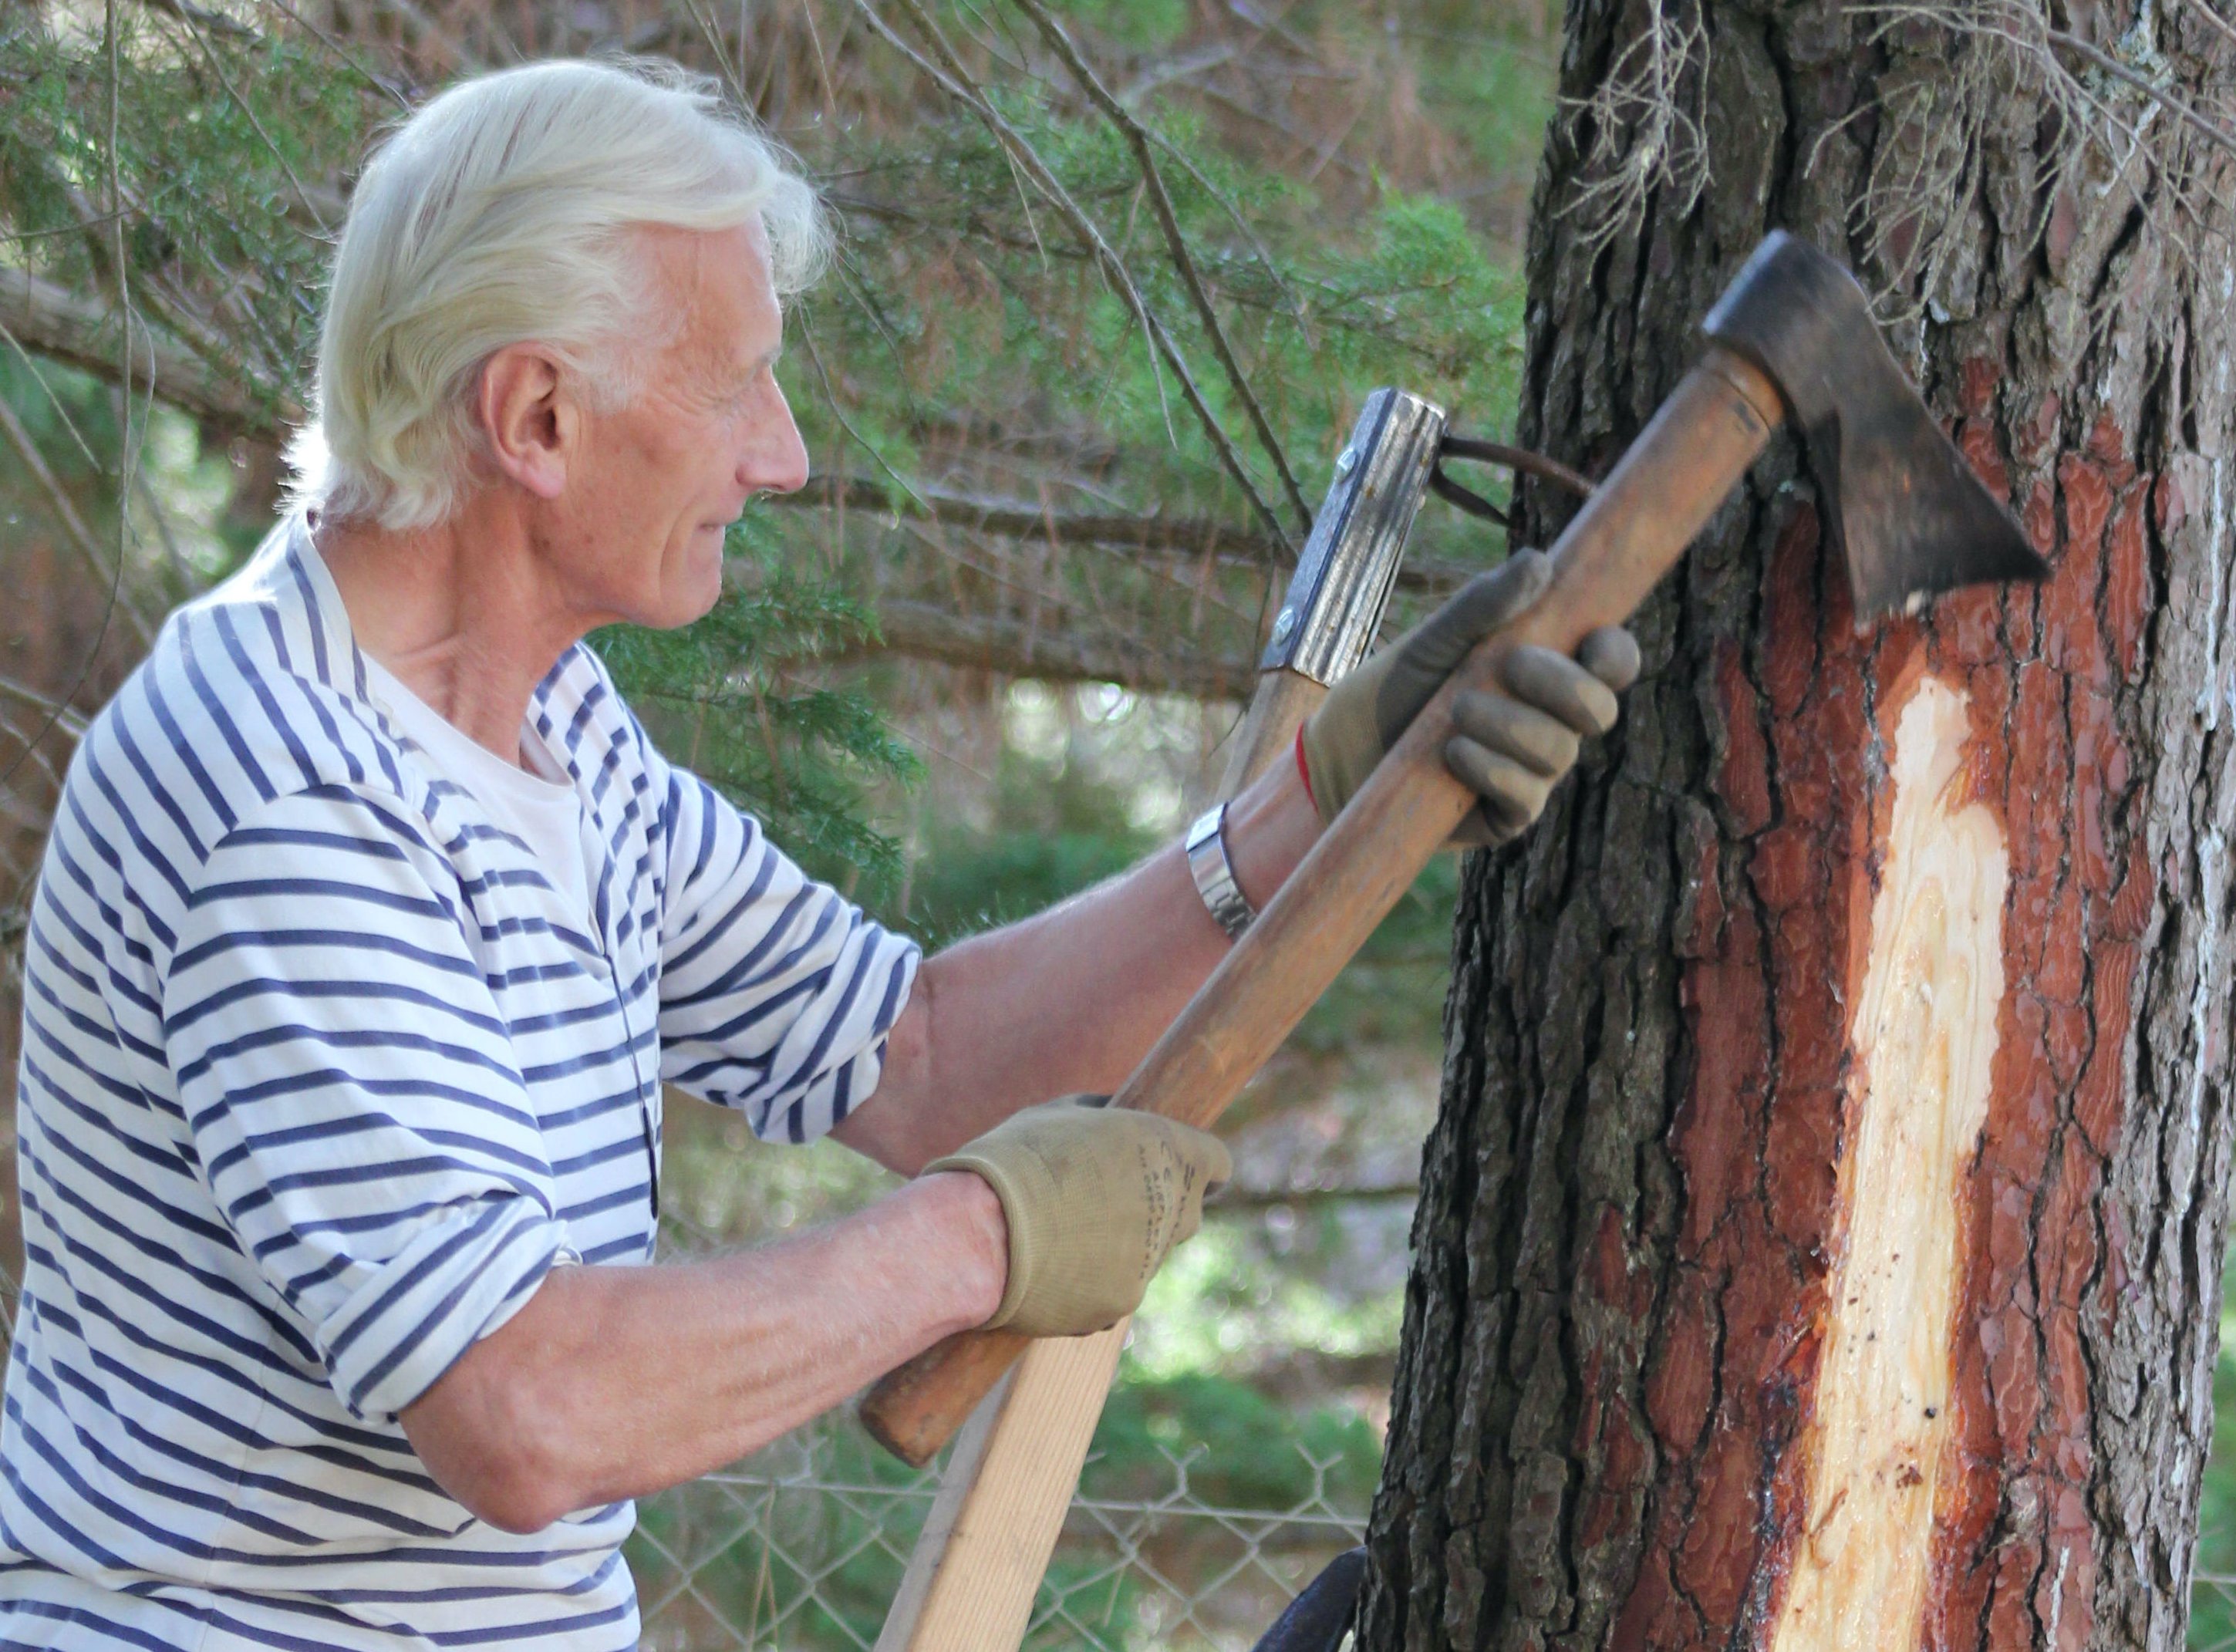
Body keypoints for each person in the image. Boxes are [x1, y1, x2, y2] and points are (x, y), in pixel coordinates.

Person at [0, 59, 1637, 1650]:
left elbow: (914, 1053)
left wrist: (1312, 807)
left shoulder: (547, 727)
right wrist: (979, 1240)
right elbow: (523, 1402)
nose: (779, 454)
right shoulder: (282, 788)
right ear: (538, 415)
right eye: (729, 385)